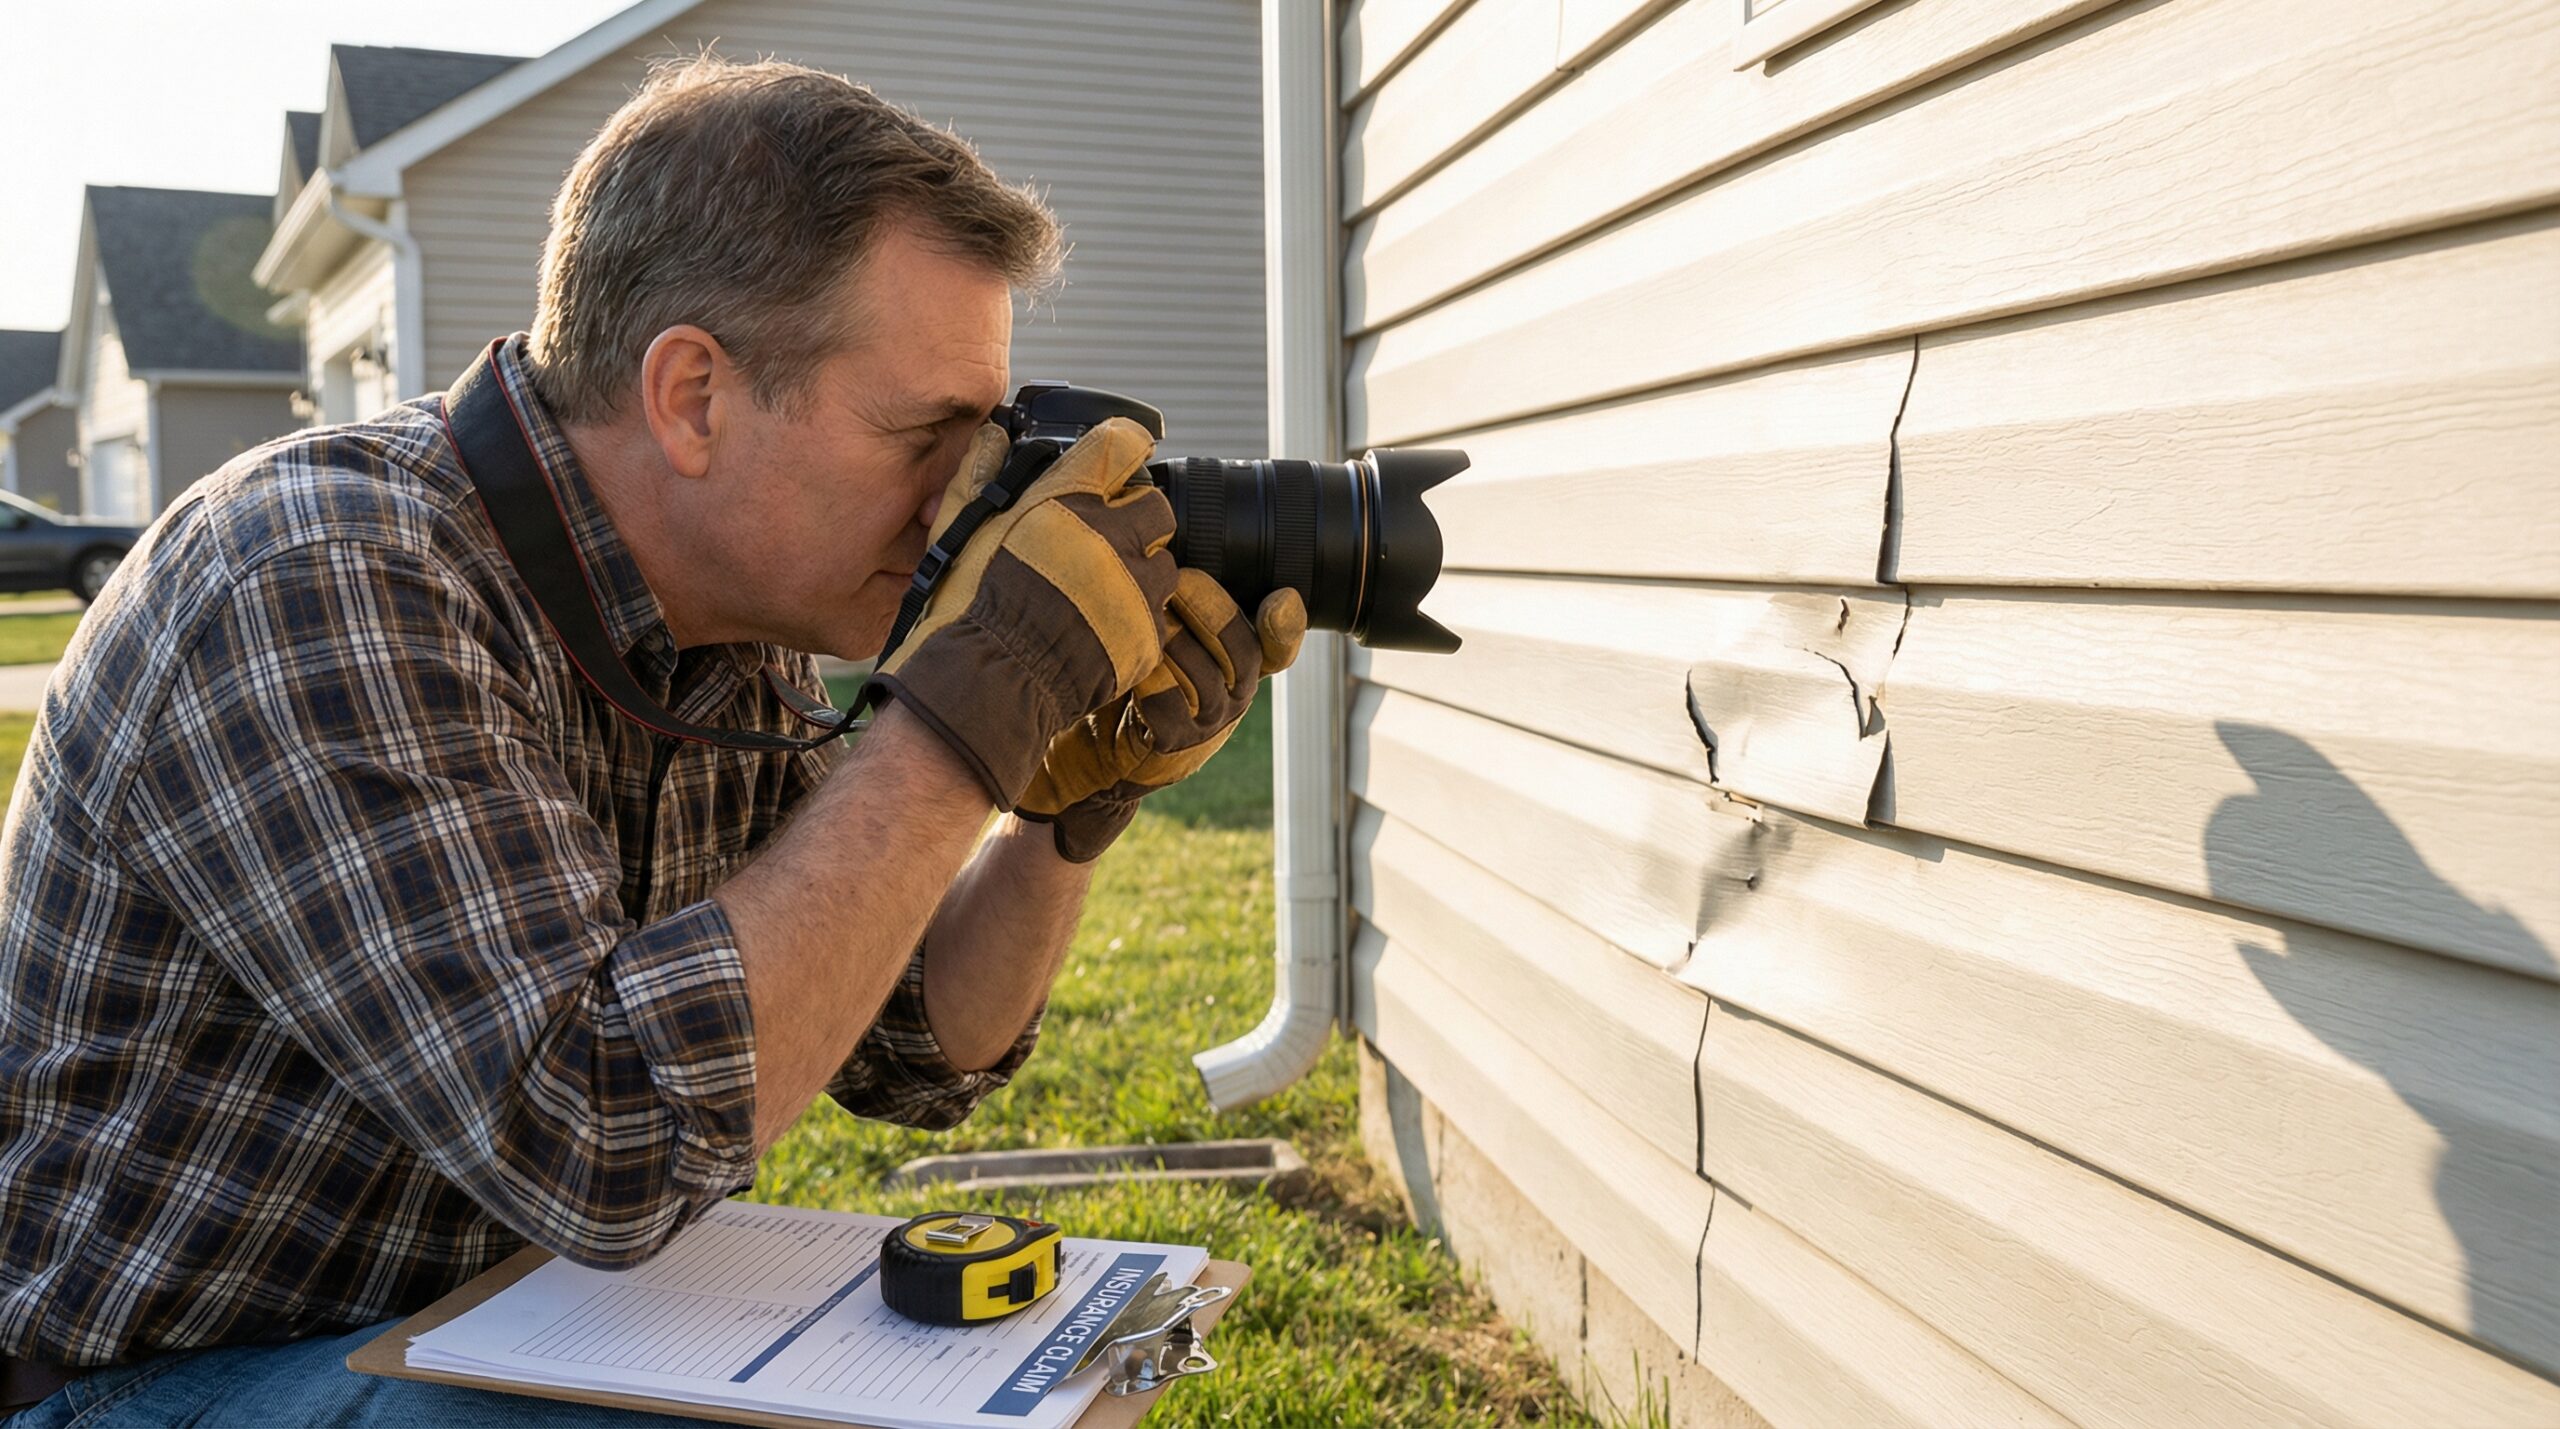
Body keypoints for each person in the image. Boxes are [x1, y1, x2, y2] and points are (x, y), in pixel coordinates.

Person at [0, 56, 1300, 1426]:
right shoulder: (322, 578)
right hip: (143, 1383)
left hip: (513, 1322)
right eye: (928, 436)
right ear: (692, 396)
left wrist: (1057, 812)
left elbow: (909, 1046)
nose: (962, 506)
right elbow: (604, 1143)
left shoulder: (738, 626)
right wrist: (961, 720)